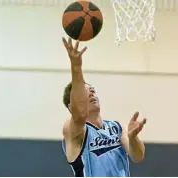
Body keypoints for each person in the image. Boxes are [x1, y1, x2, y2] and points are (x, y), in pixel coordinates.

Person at [61, 37, 147, 177]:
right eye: (85, 91)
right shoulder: (73, 132)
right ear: (72, 106)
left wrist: (133, 138)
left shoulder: (117, 127)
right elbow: (80, 115)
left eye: (92, 89)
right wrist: (76, 68)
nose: (91, 92)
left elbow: (138, 157)